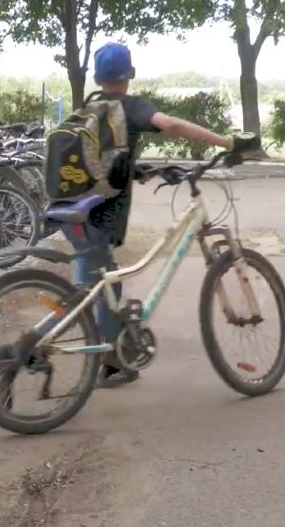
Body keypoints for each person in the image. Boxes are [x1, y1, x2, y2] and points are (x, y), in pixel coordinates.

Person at [62, 42, 239, 388]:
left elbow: (102, 156)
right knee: (104, 288)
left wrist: (138, 169)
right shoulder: (128, 106)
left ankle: (107, 351)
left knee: (95, 286)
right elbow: (170, 124)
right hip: (97, 216)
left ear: (97, 77)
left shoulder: (90, 106)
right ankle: (108, 362)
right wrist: (226, 143)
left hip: (73, 208)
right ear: (129, 75)